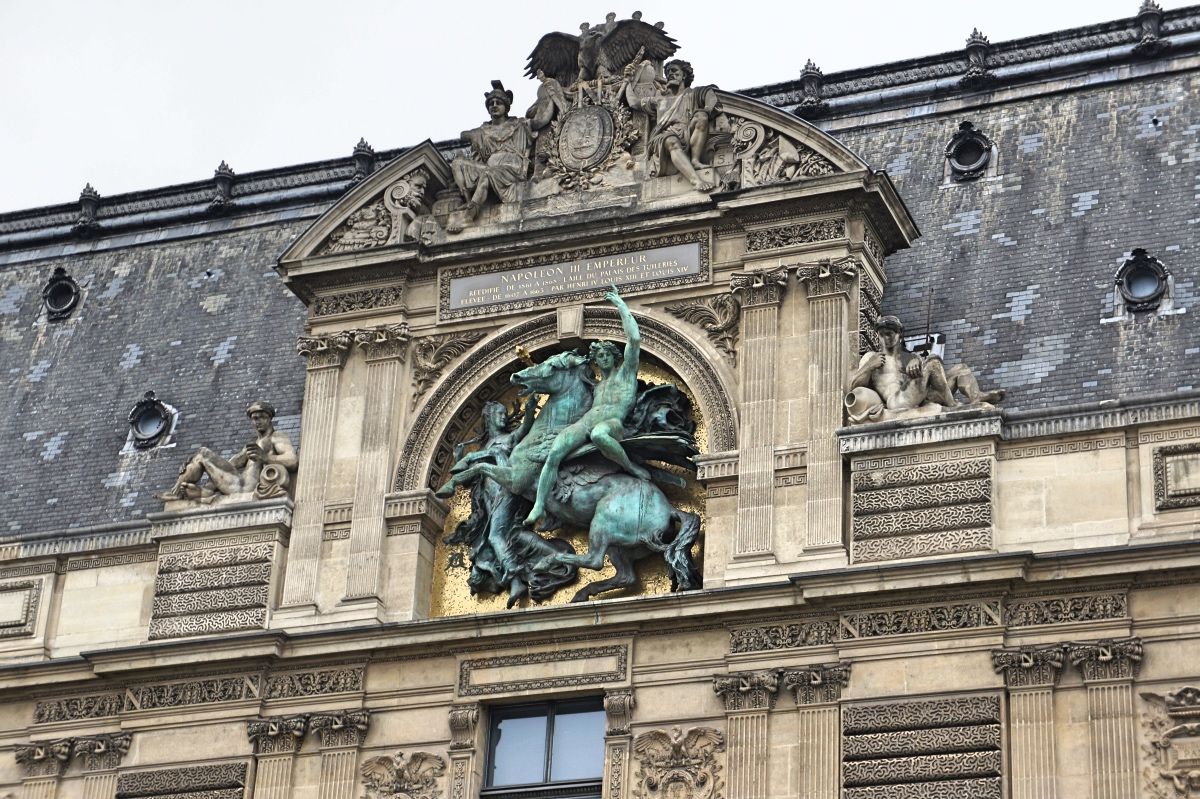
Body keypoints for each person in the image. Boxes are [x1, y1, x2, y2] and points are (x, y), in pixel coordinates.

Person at [525, 287, 647, 528]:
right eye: (599, 356)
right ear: (595, 360)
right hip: (585, 423)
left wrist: (621, 306)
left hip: (612, 423)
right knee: (554, 452)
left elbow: (634, 340)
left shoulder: (625, 374)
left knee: (599, 434)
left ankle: (630, 467)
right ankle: (539, 505)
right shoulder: (596, 387)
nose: (603, 358)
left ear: (614, 356)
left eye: (607, 354)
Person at [848, 316, 1005, 413]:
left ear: (899, 334)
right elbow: (854, 386)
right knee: (933, 362)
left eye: (889, 334)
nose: (885, 339)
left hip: (920, 397)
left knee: (961, 369)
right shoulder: (872, 357)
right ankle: (953, 406)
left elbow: (925, 380)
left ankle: (976, 396)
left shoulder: (909, 357)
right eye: (881, 335)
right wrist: (869, 366)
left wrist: (916, 362)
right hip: (897, 401)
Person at [155, 401, 297, 501]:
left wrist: (265, 457)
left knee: (203, 453)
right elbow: (229, 465)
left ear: (269, 418)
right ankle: (198, 491)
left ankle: (178, 493)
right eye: (254, 418)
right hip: (237, 482)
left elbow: (292, 460)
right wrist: (193, 466)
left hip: (245, 487)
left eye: (262, 417)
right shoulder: (252, 444)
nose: (257, 422)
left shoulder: (277, 437)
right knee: (201, 455)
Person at [623, 59, 719, 192]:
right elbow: (634, 102)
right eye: (667, 72)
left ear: (684, 75)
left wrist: (707, 110)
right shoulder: (659, 100)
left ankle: (695, 160)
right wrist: (628, 81)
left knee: (701, 117)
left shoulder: (695, 93)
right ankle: (696, 181)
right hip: (664, 137)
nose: (670, 74)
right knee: (671, 140)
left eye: (674, 71)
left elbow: (711, 98)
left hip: (688, 132)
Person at [449, 81, 532, 232]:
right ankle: (469, 200)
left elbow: (541, 121)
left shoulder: (519, 124)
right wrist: (475, 135)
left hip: (511, 168)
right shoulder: (483, 130)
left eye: (498, 102)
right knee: (457, 163)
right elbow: (463, 135)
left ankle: (468, 217)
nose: (494, 105)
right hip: (490, 166)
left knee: (488, 173)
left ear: (506, 106)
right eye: (491, 103)